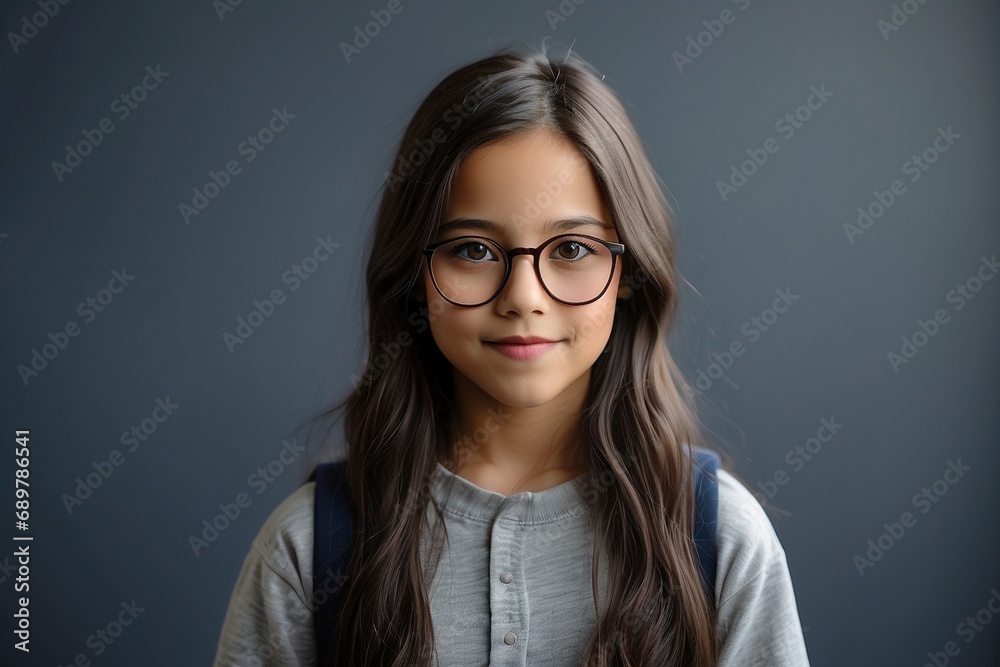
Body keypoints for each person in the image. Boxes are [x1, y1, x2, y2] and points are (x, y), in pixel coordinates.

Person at [212, 42, 810, 667]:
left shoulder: (721, 543)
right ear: (414, 273)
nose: (524, 298)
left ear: (629, 270)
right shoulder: (311, 548)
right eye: (472, 250)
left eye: (573, 249)